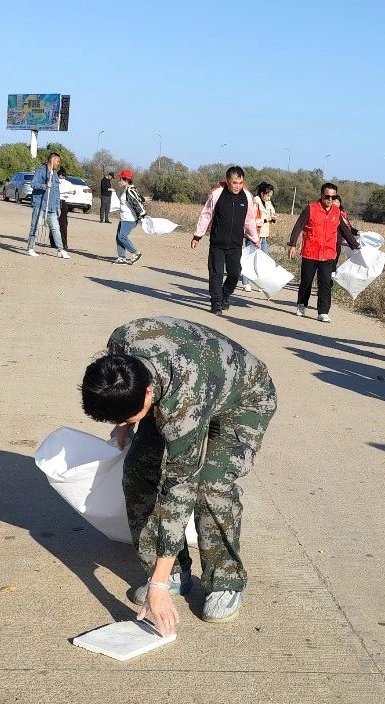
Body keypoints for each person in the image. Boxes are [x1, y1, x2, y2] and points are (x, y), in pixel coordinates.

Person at [81, 316, 278, 633]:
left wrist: (156, 587)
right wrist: (124, 424)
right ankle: (173, 572)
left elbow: (180, 488)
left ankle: (224, 580)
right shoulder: (121, 344)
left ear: (148, 394)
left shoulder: (182, 405)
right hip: (188, 382)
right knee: (138, 471)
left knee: (211, 485)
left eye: (131, 415)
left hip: (243, 399)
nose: (126, 422)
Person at [288, 182, 360, 322]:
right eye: (327, 196)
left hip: (328, 254)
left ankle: (323, 311)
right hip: (310, 252)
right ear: (321, 195)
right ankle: (302, 304)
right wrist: (292, 244)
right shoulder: (311, 208)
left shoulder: (336, 212)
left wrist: (355, 245)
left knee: (325, 283)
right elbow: (298, 226)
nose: (330, 200)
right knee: (306, 281)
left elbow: (344, 230)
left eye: (333, 197)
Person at [191, 166, 260, 315]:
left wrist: (255, 238)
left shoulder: (247, 197)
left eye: (240, 183)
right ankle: (216, 302)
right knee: (216, 273)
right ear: (228, 181)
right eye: (234, 183)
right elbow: (206, 215)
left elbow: (249, 220)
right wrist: (198, 235)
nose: (237, 186)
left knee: (235, 273)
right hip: (217, 243)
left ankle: (225, 295)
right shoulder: (217, 195)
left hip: (235, 244)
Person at [25, 152, 68, 258]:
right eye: (57, 161)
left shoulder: (55, 174)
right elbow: (33, 184)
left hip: (52, 206)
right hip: (40, 204)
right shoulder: (41, 170)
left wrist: (58, 206)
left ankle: (60, 250)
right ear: (52, 160)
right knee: (35, 226)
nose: (58, 163)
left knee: (56, 228)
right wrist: (44, 185)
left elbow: (56, 191)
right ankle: (30, 248)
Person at [241, 181, 277, 292]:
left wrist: (273, 217)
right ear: (262, 193)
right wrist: (266, 219)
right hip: (253, 236)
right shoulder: (255, 203)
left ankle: (260, 283)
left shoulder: (268, 203)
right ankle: (245, 282)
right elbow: (252, 221)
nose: (269, 198)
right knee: (250, 260)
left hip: (264, 236)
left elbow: (271, 213)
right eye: (268, 195)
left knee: (263, 261)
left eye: (270, 196)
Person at [112, 168, 147, 264]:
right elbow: (137, 198)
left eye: (121, 179)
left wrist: (143, 215)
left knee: (122, 236)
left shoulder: (130, 190)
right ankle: (121, 257)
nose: (120, 181)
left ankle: (136, 253)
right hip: (124, 218)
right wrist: (143, 199)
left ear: (126, 180)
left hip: (129, 219)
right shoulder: (128, 189)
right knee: (118, 237)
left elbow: (136, 203)